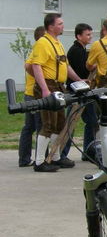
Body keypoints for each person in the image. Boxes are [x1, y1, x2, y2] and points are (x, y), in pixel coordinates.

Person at [29, 13, 83, 172]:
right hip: (49, 86)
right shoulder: (42, 43)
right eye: (59, 24)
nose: (62, 26)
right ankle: (39, 162)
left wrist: (79, 80)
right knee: (48, 123)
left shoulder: (57, 43)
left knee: (59, 123)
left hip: (59, 87)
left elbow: (65, 67)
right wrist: (44, 88)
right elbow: (36, 66)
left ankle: (55, 157)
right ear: (51, 26)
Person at [60, 23, 96, 160]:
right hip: (76, 91)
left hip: (84, 91)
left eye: (90, 34)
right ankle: (62, 153)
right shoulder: (76, 51)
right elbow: (83, 69)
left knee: (92, 121)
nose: (90, 36)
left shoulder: (82, 49)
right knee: (71, 122)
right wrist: (95, 66)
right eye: (87, 34)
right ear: (79, 36)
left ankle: (88, 152)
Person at [18, 26, 45, 167]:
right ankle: (38, 159)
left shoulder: (36, 49)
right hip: (34, 95)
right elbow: (28, 66)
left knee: (29, 127)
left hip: (29, 93)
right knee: (38, 126)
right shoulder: (38, 50)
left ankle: (24, 159)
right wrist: (41, 80)